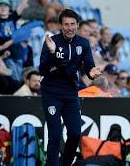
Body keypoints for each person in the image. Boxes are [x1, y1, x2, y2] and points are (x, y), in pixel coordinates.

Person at [39, 9, 101, 166]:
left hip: (71, 93)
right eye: (66, 24)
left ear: (78, 25)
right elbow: (43, 70)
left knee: (74, 133)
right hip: (51, 93)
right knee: (55, 135)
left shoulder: (83, 43)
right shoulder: (51, 42)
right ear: (61, 25)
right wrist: (53, 53)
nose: (70, 27)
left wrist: (92, 73)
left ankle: (65, 164)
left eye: (73, 24)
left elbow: (89, 66)